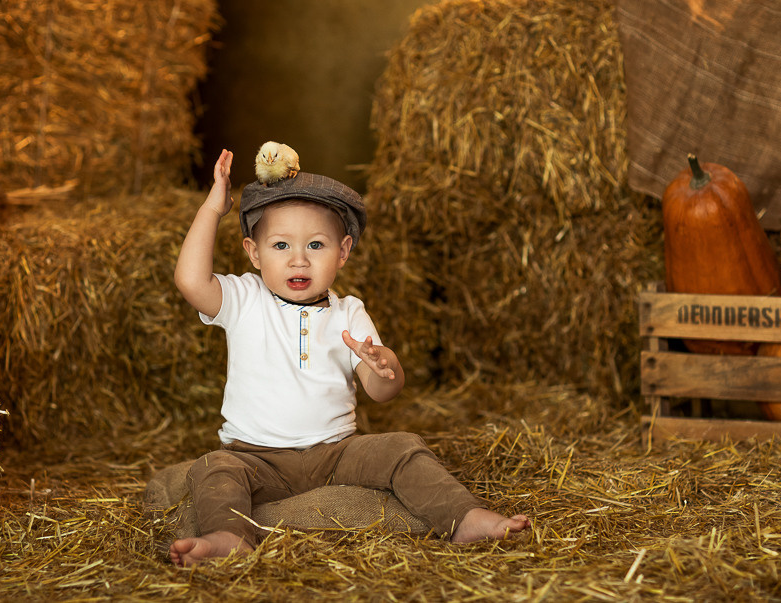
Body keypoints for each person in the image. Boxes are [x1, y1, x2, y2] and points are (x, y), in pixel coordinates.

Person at [170, 147, 530, 566]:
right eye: (281, 244)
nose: (298, 258)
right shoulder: (244, 298)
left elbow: (382, 391)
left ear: (343, 252)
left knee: (402, 447)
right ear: (254, 253)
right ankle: (229, 537)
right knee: (214, 469)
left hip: (335, 454)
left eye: (316, 245)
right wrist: (214, 208)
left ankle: (463, 517)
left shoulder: (349, 312)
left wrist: (384, 365)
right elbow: (190, 280)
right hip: (255, 458)